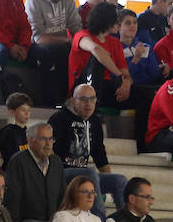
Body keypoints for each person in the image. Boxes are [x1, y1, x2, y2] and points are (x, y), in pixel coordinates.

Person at [51, 84, 128, 214]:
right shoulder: (59, 119)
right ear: (73, 100)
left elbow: (99, 153)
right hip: (62, 173)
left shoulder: (95, 121)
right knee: (90, 173)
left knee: (119, 180)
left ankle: (125, 220)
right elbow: (50, 152)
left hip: (84, 175)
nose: (89, 104)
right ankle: (100, 220)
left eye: (92, 99)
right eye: (83, 99)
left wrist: (109, 178)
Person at [6, 121, 65, 222]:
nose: (48, 144)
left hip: (53, 221)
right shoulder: (18, 161)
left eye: (51, 139)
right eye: (43, 139)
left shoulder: (56, 162)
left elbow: (63, 196)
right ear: (30, 140)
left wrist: (60, 217)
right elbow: (12, 200)